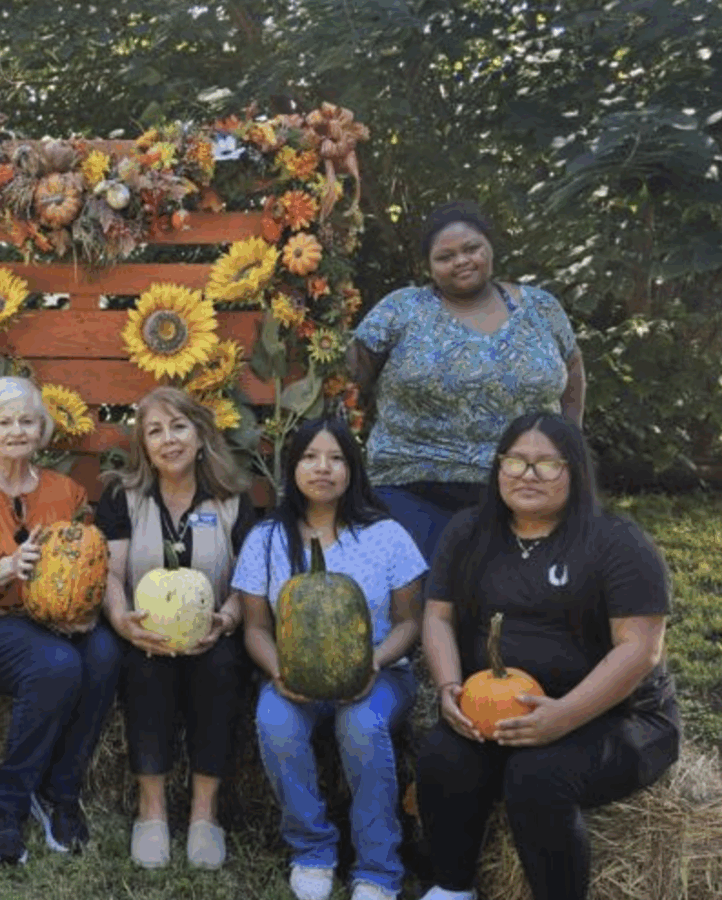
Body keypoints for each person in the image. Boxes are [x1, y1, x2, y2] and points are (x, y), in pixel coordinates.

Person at [416, 411, 679, 900]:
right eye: (514, 462)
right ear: (497, 470)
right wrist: (449, 687)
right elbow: (438, 617)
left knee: (538, 776)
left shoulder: (616, 543)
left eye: (546, 464)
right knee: (442, 756)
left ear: (574, 471)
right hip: (500, 711)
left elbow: (640, 649)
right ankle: (451, 888)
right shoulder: (469, 532)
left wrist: (564, 715)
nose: (527, 476)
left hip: (615, 718)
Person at [0, 376, 123, 865]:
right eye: (4, 421)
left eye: (27, 421)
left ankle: (61, 792)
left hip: (60, 617)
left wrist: (85, 611)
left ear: (43, 431)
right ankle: (7, 807)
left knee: (102, 654)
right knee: (56, 665)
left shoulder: (67, 492)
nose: (17, 430)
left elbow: (90, 564)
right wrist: (5, 568)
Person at [233, 416, 427, 900]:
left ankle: (378, 868)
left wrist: (374, 663)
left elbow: (409, 622)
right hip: (292, 674)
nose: (323, 468)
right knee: (275, 721)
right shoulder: (267, 539)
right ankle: (312, 848)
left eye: (336, 458)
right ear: (292, 468)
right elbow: (256, 627)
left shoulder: (386, 535)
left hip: (379, 673)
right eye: (310, 457)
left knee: (360, 726)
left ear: (352, 468)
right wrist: (278, 672)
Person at [347, 200, 586, 561]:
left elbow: (573, 373)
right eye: (445, 256)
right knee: (426, 597)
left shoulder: (541, 307)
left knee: (524, 597)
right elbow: (352, 372)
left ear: (490, 247)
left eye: (471, 249)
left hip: (525, 483)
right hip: (412, 484)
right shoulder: (402, 308)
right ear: (428, 267)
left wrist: (571, 449)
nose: (461, 261)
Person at [97, 387, 257, 871]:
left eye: (179, 426)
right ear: (143, 444)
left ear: (201, 435)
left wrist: (227, 619)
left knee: (223, 669)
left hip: (215, 630)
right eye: (155, 430)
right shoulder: (123, 497)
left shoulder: (233, 499)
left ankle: (205, 815)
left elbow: (250, 581)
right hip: (145, 631)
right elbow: (109, 572)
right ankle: (153, 812)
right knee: (145, 673)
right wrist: (123, 623)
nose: (169, 440)